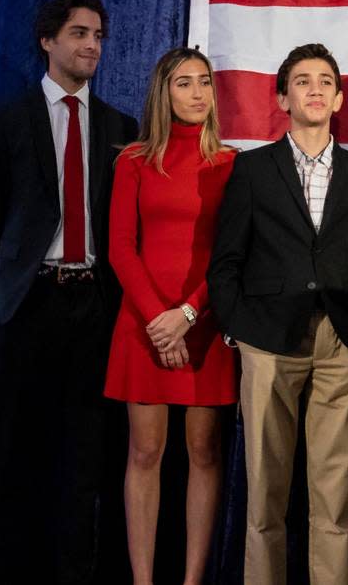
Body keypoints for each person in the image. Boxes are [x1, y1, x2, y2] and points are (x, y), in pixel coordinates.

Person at [0, 0, 138, 584]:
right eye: (78, 33)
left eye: (98, 35)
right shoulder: (6, 120)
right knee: (17, 459)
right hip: (28, 306)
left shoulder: (122, 127)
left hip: (95, 308)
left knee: (84, 464)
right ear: (47, 40)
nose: (92, 44)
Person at [207, 43, 348, 585]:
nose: (314, 88)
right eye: (302, 80)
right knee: (266, 489)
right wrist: (238, 326)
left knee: (338, 494)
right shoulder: (253, 168)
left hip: (346, 338)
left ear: (337, 97)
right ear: (283, 96)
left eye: (325, 81)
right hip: (268, 337)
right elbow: (227, 259)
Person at [104, 48, 236, 585]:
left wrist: (187, 314)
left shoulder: (232, 163)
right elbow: (120, 247)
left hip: (203, 324)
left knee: (204, 451)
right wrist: (160, 320)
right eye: (184, 84)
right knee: (146, 450)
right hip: (143, 323)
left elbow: (232, 252)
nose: (197, 93)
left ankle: (191, 579)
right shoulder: (133, 160)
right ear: (164, 92)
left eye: (204, 82)